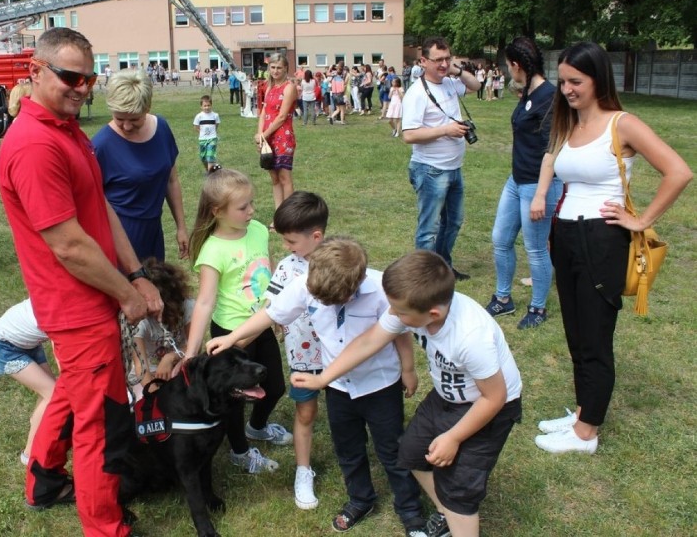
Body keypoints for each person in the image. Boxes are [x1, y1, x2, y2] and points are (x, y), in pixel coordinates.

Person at [0, 27, 163, 536]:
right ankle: (105, 527)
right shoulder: (33, 145)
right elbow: (68, 245)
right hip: (77, 307)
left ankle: (43, 482)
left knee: (74, 392)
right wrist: (126, 294)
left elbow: (102, 210)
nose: (82, 87)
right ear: (36, 70)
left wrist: (136, 274)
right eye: (70, 76)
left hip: (91, 298)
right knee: (102, 425)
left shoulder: (68, 130)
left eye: (89, 77)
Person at [530, 41, 692, 455]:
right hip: (564, 235)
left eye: (576, 81)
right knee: (576, 332)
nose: (566, 89)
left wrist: (641, 220)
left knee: (595, 336)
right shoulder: (569, 123)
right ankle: (584, 412)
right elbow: (554, 164)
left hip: (601, 240)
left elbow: (678, 171)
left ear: (598, 80)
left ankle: (587, 433)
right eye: (563, 81)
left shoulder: (623, 124)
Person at [293, 250, 523, 537]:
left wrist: (453, 437)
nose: (393, 315)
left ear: (432, 314)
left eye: (399, 312)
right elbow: (369, 341)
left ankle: (455, 512)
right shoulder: (412, 307)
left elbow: (495, 397)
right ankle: (446, 513)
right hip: (447, 396)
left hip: (490, 406)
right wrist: (324, 378)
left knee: (459, 489)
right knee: (411, 452)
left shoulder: (470, 336)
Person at [208, 238, 427, 536]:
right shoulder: (306, 283)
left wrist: (409, 368)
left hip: (380, 385)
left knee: (392, 449)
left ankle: (410, 510)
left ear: (355, 285)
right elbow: (269, 315)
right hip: (338, 387)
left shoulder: (381, 291)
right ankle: (360, 498)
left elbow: (398, 332)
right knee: (347, 447)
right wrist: (232, 339)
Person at [183, 168, 291, 475]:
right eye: (243, 207)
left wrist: (277, 311)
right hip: (230, 333)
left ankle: (257, 427)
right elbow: (204, 302)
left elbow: (267, 271)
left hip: (261, 324)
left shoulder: (257, 229)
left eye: (251, 204)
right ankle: (240, 452)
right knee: (233, 399)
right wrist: (191, 352)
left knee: (274, 386)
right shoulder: (212, 250)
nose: (251, 211)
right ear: (218, 212)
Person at [486, 36, 563, 330]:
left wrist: (541, 195)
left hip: (537, 185)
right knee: (500, 239)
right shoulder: (530, 92)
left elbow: (552, 150)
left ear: (517, 65)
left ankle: (538, 308)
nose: (507, 72)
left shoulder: (550, 98)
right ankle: (504, 299)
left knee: (535, 249)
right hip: (516, 180)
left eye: (508, 66)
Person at [262, 191, 327, 510]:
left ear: (316, 236)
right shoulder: (287, 267)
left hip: (340, 358)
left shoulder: (338, 260)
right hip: (302, 357)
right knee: (306, 412)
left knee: (348, 412)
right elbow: (270, 300)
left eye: (291, 242)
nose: (286, 249)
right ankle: (303, 471)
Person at [401, 36, 481, 281]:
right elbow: (409, 135)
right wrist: (446, 130)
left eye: (447, 58)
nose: (444, 64)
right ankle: (424, 277)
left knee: (453, 222)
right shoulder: (416, 94)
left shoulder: (448, 82)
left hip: (454, 167)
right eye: (438, 60)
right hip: (430, 169)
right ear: (423, 61)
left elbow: (475, 85)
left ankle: (443, 267)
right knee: (429, 228)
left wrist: (457, 69)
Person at [92, 68, 189, 261]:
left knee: (155, 287)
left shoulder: (161, 128)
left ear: (148, 107)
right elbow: (92, 201)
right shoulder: (101, 145)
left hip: (153, 230)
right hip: (120, 236)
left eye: (135, 119)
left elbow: (171, 180)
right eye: (119, 118)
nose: (127, 126)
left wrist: (181, 227)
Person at [0, 299, 55, 467]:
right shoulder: (58, 310)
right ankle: (29, 454)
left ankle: (38, 423)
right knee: (53, 395)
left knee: (49, 392)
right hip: (5, 347)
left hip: (29, 343)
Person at [128, 258, 194, 399]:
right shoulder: (139, 320)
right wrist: (153, 393)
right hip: (149, 373)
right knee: (142, 400)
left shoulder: (187, 306)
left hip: (181, 365)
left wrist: (171, 358)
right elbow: (141, 366)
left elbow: (194, 345)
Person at [254, 52, 297, 213]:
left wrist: (264, 135)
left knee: (285, 177)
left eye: (279, 68)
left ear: (286, 68)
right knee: (274, 178)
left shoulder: (289, 87)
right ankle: (279, 215)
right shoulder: (269, 87)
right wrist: (260, 135)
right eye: (272, 67)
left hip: (283, 137)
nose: (275, 71)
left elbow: (282, 117)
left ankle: (289, 215)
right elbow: (264, 112)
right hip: (268, 137)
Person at [192, 95, 222, 174]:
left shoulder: (215, 115)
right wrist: (202, 133)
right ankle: (208, 169)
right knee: (203, 158)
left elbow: (216, 125)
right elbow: (196, 126)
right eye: (205, 106)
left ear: (211, 105)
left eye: (208, 105)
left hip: (212, 138)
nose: (207, 107)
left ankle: (210, 174)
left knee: (210, 157)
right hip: (202, 139)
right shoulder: (199, 116)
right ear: (201, 106)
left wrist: (212, 133)